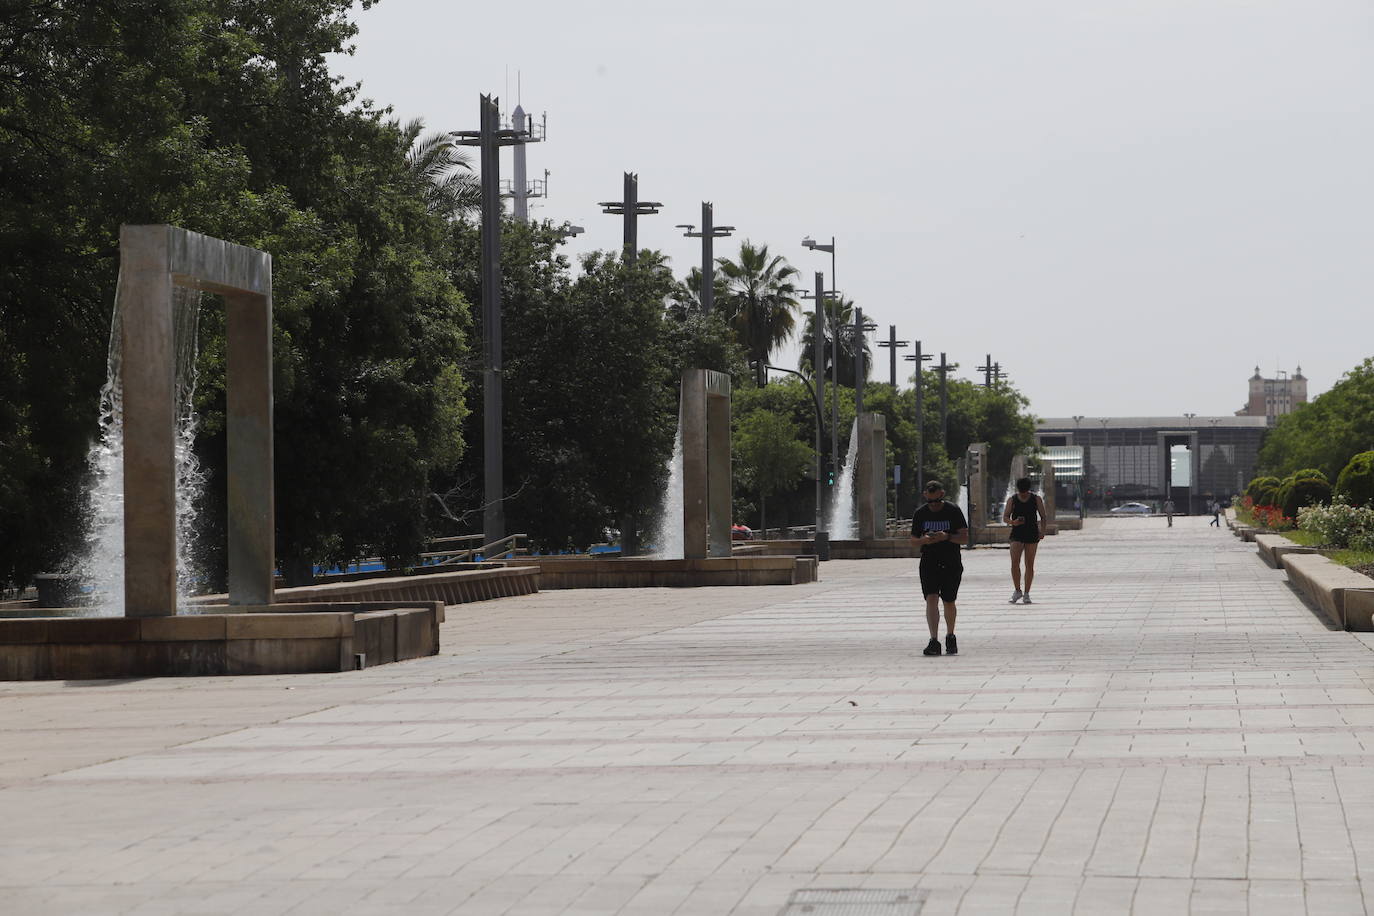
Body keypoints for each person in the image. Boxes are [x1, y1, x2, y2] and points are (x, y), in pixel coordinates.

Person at [911, 480, 969, 656]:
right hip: (929, 560)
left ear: (942, 494)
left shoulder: (953, 510)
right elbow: (913, 541)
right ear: (925, 496)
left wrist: (947, 537)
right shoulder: (920, 513)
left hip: (951, 560)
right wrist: (924, 540)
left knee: (949, 600)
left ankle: (950, 636)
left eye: (937, 501)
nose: (934, 505)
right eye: (930, 501)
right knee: (931, 598)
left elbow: (965, 538)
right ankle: (933, 640)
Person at [1003, 477, 1047, 604]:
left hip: (1032, 533)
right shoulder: (1013, 499)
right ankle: (1017, 590)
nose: (1023, 494)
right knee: (1014, 563)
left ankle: (1027, 593)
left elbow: (1043, 516)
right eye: (1021, 491)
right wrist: (1013, 522)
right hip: (1017, 533)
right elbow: (1005, 516)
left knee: (1029, 563)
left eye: (1025, 491)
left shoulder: (1036, 499)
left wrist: (1042, 531)